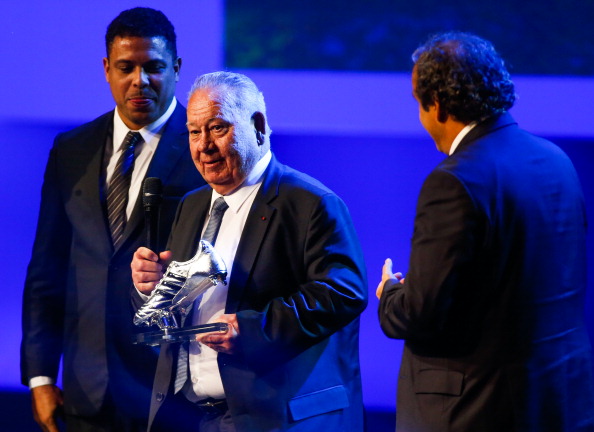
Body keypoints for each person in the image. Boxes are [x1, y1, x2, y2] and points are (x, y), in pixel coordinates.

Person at [376, 32, 594, 432]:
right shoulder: (556, 161)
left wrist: (391, 293)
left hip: (477, 410)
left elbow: (421, 314)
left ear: (436, 105)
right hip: (559, 399)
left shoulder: (454, 181)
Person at [131, 71, 368, 432]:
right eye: (195, 132)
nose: (203, 145)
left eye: (217, 128)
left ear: (258, 125)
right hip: (190, 416)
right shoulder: (192, 206)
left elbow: (343, 292)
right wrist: (153, 288)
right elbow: (179, 305)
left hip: (273, 418)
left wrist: (253, 329)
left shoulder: (311, 203)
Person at [20, 7, 205, 432]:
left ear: (176, 69)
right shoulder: (72, 149)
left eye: (154, 67)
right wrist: (41, 377)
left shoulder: (206, 150)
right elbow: (46, 271)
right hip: (87, 391)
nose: (139, 81)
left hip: (174, 396)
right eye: (126, 67)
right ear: (107, 69)